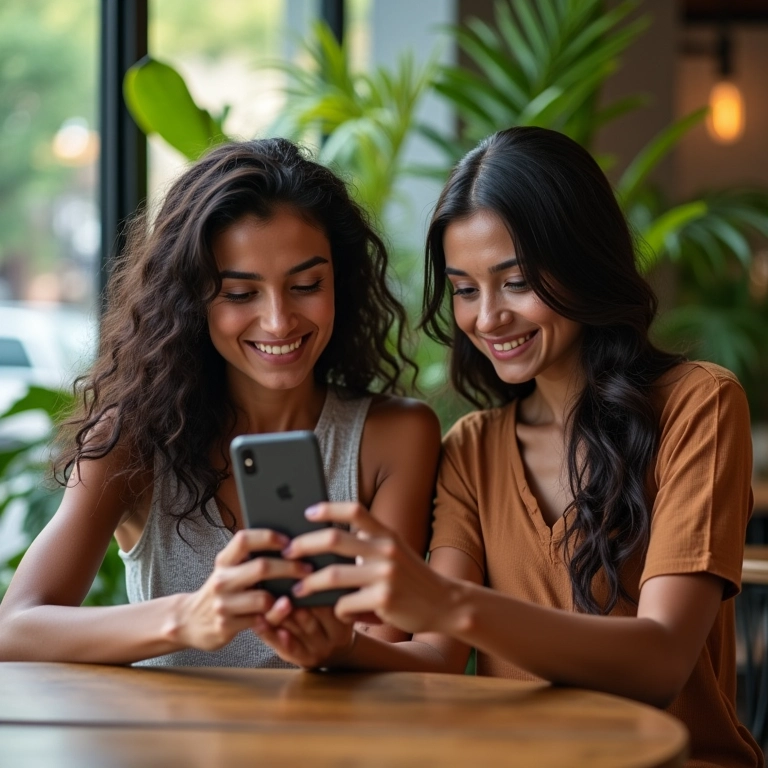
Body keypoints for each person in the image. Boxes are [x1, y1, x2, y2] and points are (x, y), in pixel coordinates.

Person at [253, 127, 764, 766]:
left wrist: (450, 603)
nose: (486, 318)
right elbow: (435, 658)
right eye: (465, 290)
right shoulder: (473, 448)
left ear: (583, 261)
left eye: (514, 281)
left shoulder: (699, 404)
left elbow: (660, 661)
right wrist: (338, 647)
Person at [0, 138, 441, 667]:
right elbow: (16, 627)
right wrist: (190, 616)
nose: (278, 321)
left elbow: (390, 651)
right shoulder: (134, 442)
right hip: (174, 750)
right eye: (239, 294)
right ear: (192, 300)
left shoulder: (392, 436)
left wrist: (337, 645)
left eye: (305, 284)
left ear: (338, 283)